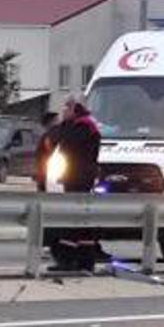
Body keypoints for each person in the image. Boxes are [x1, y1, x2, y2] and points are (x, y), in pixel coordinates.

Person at [49, 96, 102, 270]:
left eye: (66, 108)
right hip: (77, 177)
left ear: (74, 109)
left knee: (74, 219)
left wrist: (63, 124)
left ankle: (68, 260)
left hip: (79, 178)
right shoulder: (83, 125)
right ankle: (85, 261)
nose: (63, 111)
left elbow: (66, 143)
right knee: (81, 220)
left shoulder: (83, 126)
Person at [33, 111, 60, 193]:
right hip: (47, 170)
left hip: (45, 171)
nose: (59, 122)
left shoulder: (47, 135)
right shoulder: (49, 136)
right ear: (50, 122)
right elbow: (49, 152)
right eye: (56, 120)